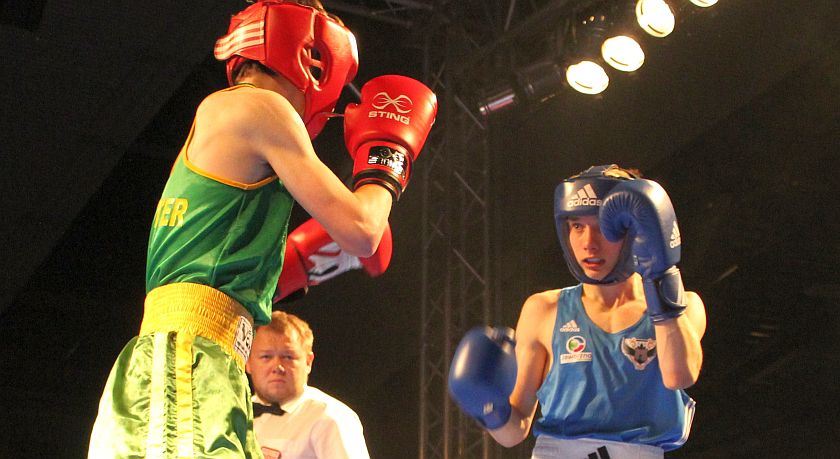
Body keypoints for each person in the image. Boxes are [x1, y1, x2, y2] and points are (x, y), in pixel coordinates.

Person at [87, 0, 437, 457]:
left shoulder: (229, 117)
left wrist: (288, 269)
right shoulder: (261, 106)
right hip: (188, 365)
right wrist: (388, 155)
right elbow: (363, 229)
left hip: (197, 363)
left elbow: (207, 267)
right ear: (312, 60)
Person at [448, 164, 706, 459]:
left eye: (604, 227)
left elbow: (679, 375)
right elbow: (515, 431)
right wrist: (488, 408)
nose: (589, 243)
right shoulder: (544, 309)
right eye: (577, 226)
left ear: (636, 231)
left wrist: (660, 275)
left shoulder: (685, 306)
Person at [247, 311, 370, 459]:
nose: (277, 366)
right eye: (266, 356)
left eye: (288, 357)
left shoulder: (331, 417)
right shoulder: (237, 413)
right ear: (248, 362)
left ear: (308, 362)